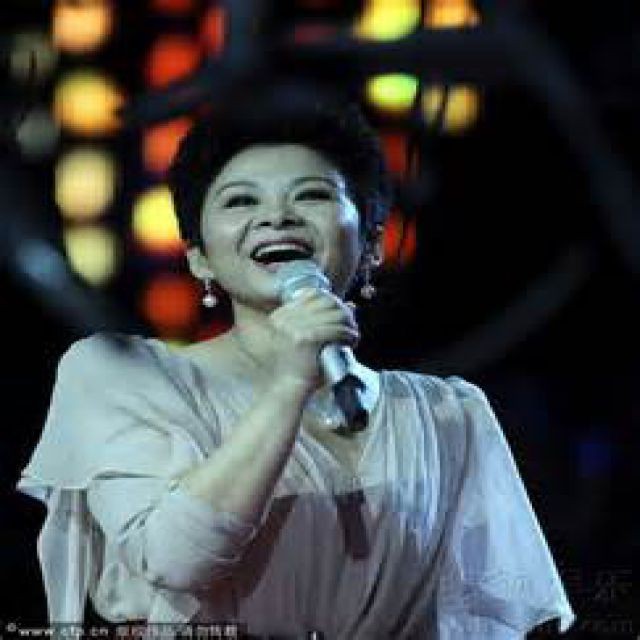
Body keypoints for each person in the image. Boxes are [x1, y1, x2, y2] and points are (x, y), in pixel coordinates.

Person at [17, 100, 575, 639]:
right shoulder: (123, 375)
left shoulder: (449, 414)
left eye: (312, 195)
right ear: (199, 257)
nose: (277, 216)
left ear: (373, 244)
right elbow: (175, 560)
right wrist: (289, 384)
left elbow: (481, 620)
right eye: (240, 201)